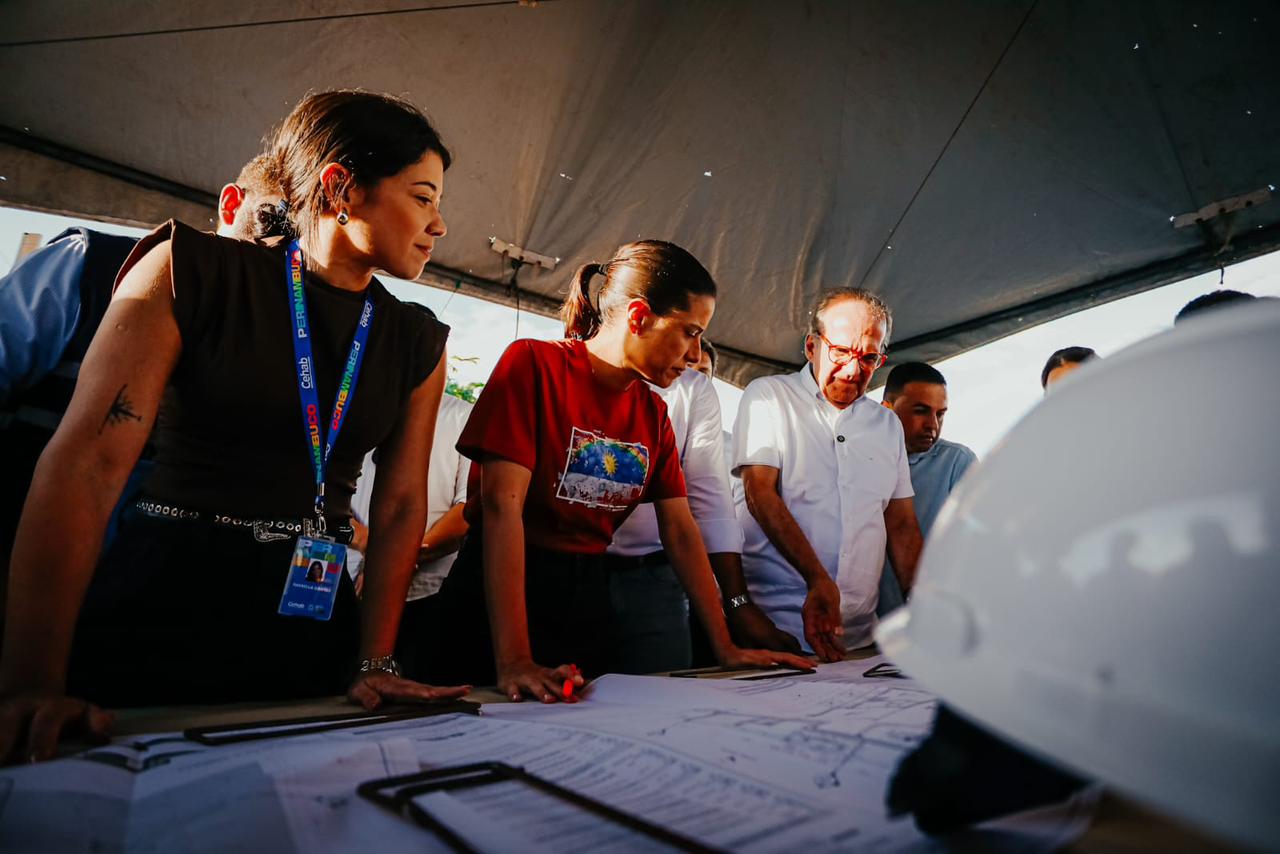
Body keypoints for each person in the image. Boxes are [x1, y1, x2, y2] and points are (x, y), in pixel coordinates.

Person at [0, 90, 468, 763]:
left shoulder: (417, 338)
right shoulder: (189, 270)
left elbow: (398, 508)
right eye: (423, 197)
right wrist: (30, 682)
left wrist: (375, 660)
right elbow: (87, 466)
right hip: (160, 603)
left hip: (311, 617)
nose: (440, 224)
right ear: (341, 188)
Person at [420, 240, 813, 701]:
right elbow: (502, 510)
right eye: (689, 332)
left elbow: (682, 531)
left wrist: (725, 645)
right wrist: (513, 658)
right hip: (500, 594)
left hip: (586, 597)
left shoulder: (652, 413)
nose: (694, 355)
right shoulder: (533, 365)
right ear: (639, 317)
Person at [0, 155, 278, 607]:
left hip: (134, 605)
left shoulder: (273, 347)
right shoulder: (90, 267)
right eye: (275, 223)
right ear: (231, 206)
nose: (287, 252)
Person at [733, 288, 922, 661]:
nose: (854, 370)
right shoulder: (769, 396)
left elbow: (900, 524)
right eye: (841, 352)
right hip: (779, 629)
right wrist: (818, 579)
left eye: (869, 357)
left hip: (858, 636)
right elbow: (760, 494)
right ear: (811, 347)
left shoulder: (886, 424)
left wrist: (922, 603)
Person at [877, 362, 977, 615]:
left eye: (940, 414)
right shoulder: (853, 459)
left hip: (930, 623)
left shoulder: (958, 463)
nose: (932, 424)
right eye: (921, 411)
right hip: (856, 627)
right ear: (886, 409)